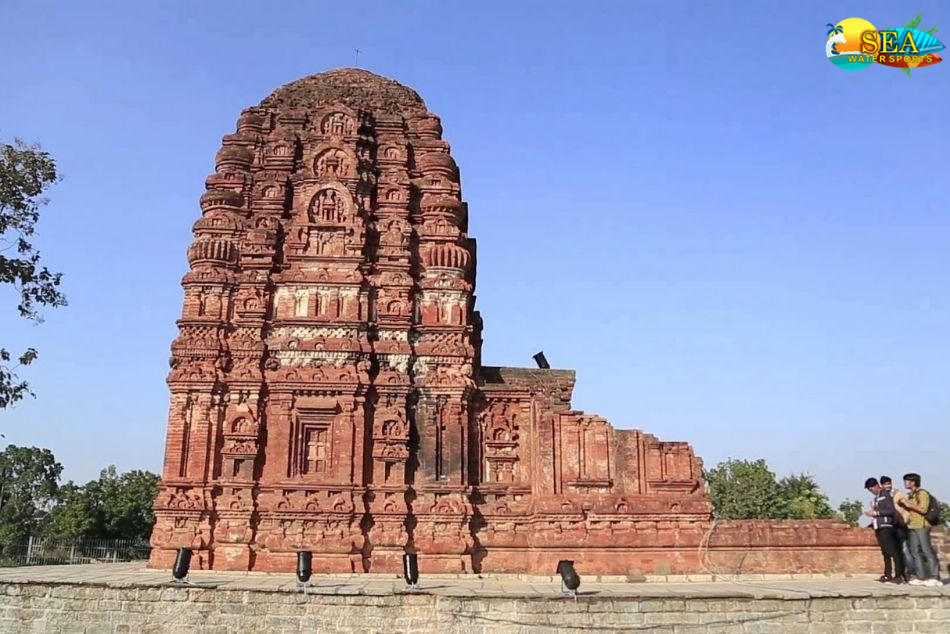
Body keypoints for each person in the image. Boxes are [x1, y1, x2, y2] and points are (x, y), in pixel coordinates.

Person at [897, 472, 941, 587]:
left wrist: (908, 504)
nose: (905, 483)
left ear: (913, 482)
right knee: (915, 551)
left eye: (907, 481)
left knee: (926, 550)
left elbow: (923, 509)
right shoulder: (912, 494)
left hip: (922, 525)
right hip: (912, 525)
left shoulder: (922, 493)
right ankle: (921, 576)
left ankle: (934, 576)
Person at [864, 477, 906, 583]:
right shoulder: (876, 498)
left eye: (871, 489)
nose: (871, 491)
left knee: (893, 552)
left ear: (875, 486)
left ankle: (899, 575)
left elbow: (890, 510)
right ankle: (888, 574)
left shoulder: (885, 495)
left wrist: (876, 513)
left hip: (886, 526)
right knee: (885, 552)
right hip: (879, 526)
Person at [881, 475, 917, 579]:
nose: (887, 486)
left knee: (905, 549)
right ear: (882, 485)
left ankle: (912, 572)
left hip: (900, 524)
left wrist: (905, 521)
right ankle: (901, 573)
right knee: (896, 550)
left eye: (888, 483)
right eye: (885, 484)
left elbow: (907, 508)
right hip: (891, 526)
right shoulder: (883, 496)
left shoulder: (898, 494)